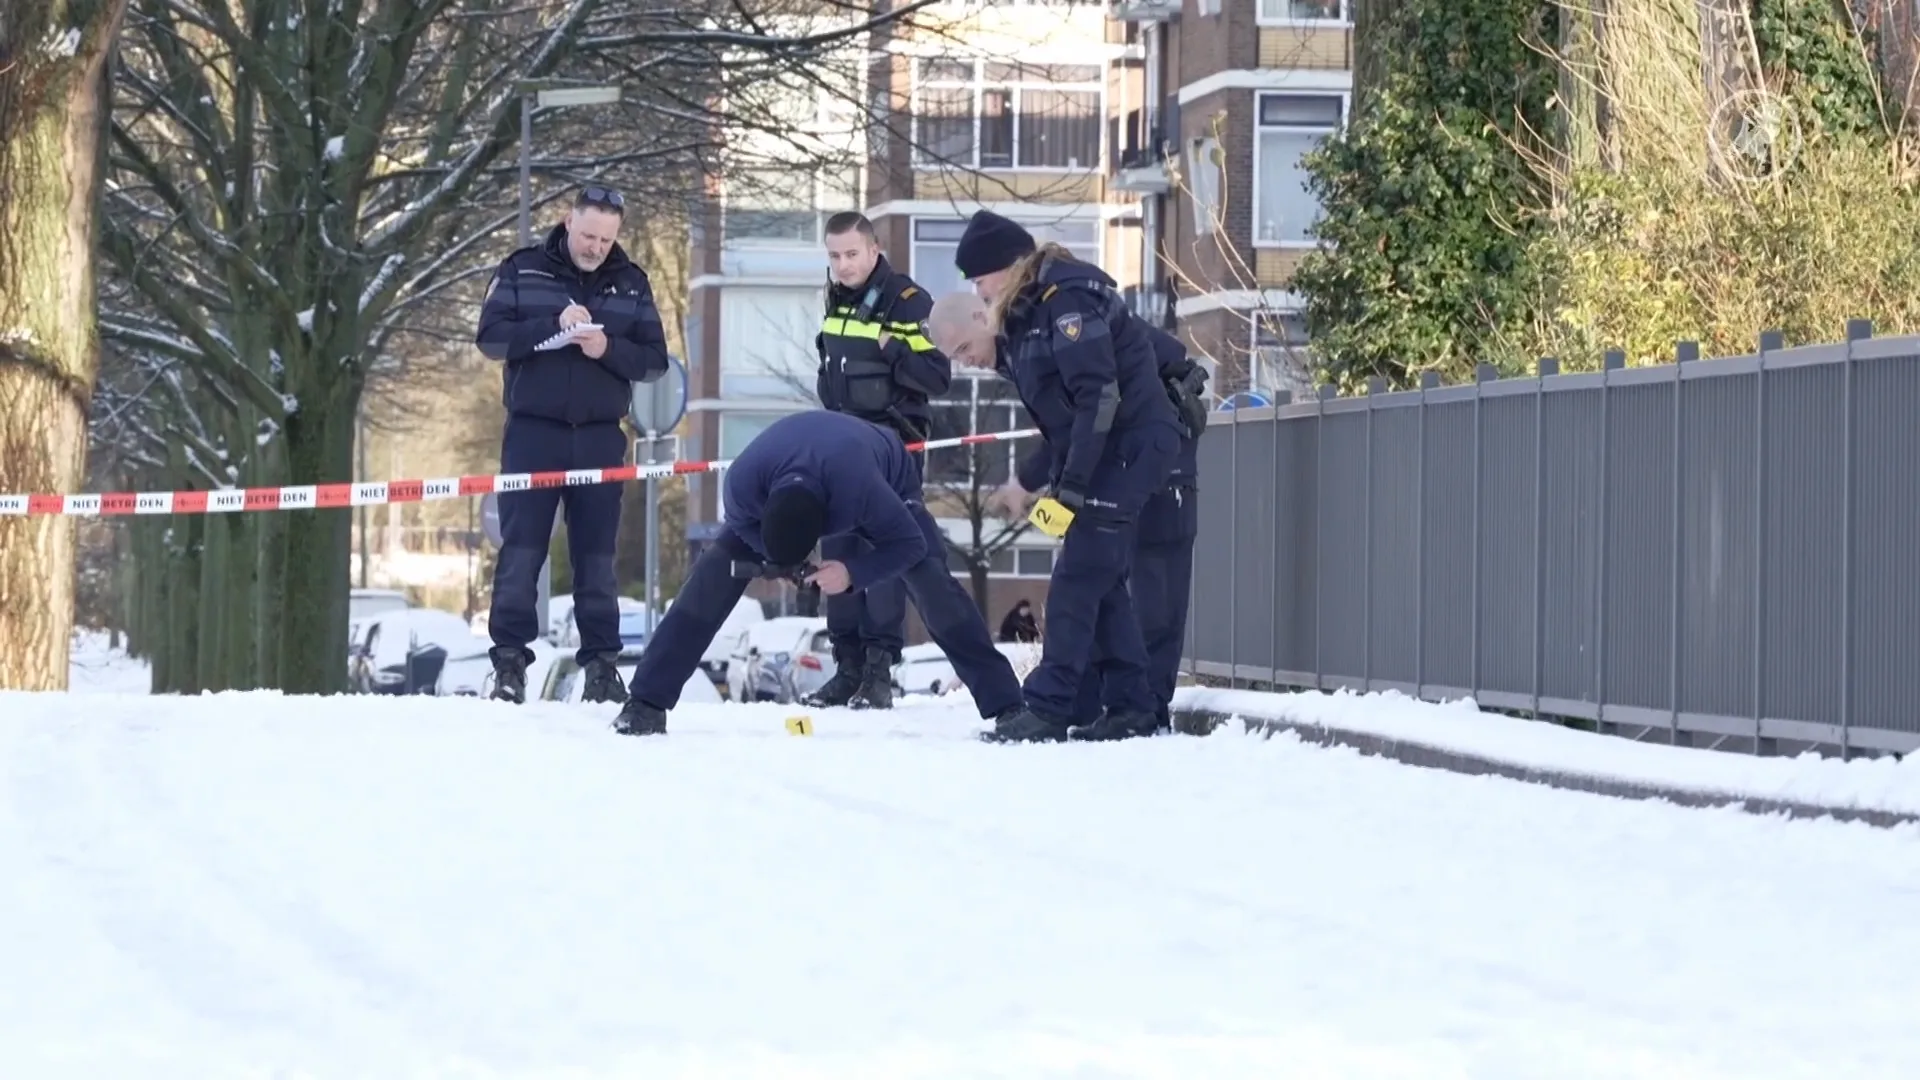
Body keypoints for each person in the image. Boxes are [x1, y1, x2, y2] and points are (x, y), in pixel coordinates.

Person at [928, 210, 1184, 744]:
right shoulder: (1026, 324)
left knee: (1076, 577)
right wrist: (1029, 482)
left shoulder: (1063, 301)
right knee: (1103, 580)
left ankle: (1048, 704)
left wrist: (1068, 489)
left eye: (979, 280)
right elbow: (1063, 425)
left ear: (1005, 268)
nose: (978, 291)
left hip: (1132, 447)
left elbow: (1099, 397)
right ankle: (1134, 706)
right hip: (1112, 452)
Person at [612, 410, 1023, 736]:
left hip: (882, 465)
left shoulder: (861, 492)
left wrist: (852, 573)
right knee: (711, 577)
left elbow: (908, 544)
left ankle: (1007, 704)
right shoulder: (741, 486)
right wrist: (786, 566)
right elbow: (748, 534)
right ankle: (645, 702)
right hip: (801, 457)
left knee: (930, 583)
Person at [474, 186, 670, 705]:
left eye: (606, 239)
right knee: (520, 552)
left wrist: (608, 348)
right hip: (533, 434)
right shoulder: (523, 269)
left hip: (602, 436)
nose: (595, 247)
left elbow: (654, 361)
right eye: (588, 235)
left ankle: (603, 667)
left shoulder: (632, 283)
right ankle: (510, 665)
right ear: (567, 222)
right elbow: (491, 338)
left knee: (596, 557)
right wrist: (548, 327)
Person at [1004, 325, 1209, 738]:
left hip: (1153, 473)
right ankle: (1108, 700)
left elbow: (1088, 416)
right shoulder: (1078, 335)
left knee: (1147, 592)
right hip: (1127, 471)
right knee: (1103, 582)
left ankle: (1141, 706)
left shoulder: (1083, 336)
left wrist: (1029, 478)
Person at [801, 212, 952, 712]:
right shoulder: (836, 299)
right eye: (834, 256)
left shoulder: (907, 303)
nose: (842, 265)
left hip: (893, 446)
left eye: (851, 254)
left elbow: (938, 376)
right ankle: (846, 668)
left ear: (873, 250)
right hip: (841, 443)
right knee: (838, 548)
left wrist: (892, 353)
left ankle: (879, 672)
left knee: (881, 555)